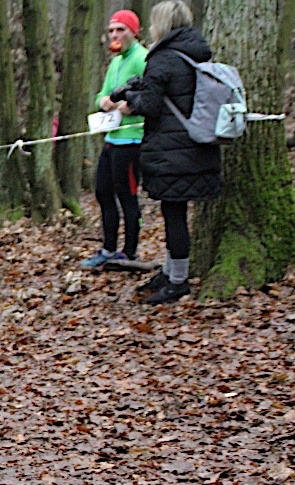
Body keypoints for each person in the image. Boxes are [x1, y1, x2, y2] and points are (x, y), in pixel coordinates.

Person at [114, 0, 221, 304]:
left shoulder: (163, 59)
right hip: (195, 146)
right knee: (174, 212)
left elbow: (150, 104)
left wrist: (129, 99)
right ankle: (170, 271)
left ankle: (178, 281)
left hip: (172, 151)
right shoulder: (195, 53)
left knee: (174, 214)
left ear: (161, 25)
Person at [81, 10, 147, 270]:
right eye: (111, 31)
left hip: (132, 141)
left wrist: (132, 106)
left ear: (134, 32)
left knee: (127, 196)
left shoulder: (142, 58)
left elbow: (152, 95)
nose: (115, 35)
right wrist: (103, 102)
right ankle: (108, 248)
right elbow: (103, 94)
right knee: (103, 192)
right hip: (111, 138)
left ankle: (129, 252)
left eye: (121, 30)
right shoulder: (116, 62)